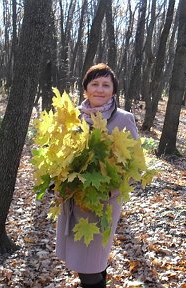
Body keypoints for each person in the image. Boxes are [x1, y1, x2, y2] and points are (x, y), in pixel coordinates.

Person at [55, 63, 139, 288]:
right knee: (94, 261)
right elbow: (60, 155)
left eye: (106, 85)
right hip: (75, 200)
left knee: (88, 266)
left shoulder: (124, 119)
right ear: (85, 89)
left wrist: (110, 189)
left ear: (113, 90)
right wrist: (59, 184)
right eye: (94, 84)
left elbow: (136, 165)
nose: (99, 90)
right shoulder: (73, 118)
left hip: (104, 203)